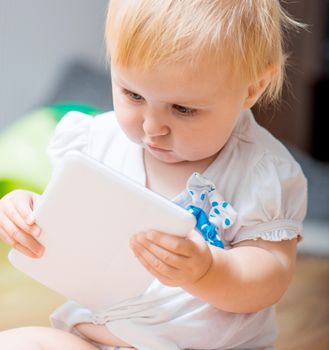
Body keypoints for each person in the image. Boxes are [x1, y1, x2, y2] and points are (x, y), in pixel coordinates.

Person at [0, 0, 307, 349]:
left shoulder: (262, 174)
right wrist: (24, 213)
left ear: (252, 89)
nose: (152, 127)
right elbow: (69, 219)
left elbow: (270, 277)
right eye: (133, 94)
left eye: (183, 109)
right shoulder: (97, 142)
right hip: (96, 337)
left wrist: (208, 271)